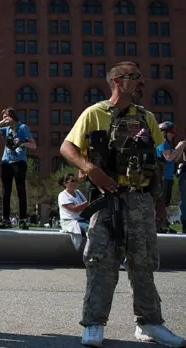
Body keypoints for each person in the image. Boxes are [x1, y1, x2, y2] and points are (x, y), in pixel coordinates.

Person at [60, 61, 185, 347]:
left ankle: (150, 324)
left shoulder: (146, 117)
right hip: (107, 199)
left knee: (144, 263)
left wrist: (160, 203)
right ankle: (93, 323)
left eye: (140, 77)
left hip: (141, 200)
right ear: (117, 80)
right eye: (134, 77)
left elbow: (152, 161)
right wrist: (90, 168)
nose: (141, 82)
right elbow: (67, 147)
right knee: (100, 260)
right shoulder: (94, 113)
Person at [0, 107, 36, 229]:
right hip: (6, 162)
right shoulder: (6, 129)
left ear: (12, 116)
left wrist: (22, 143)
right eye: (3, 117)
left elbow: (33, 145)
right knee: (5, 192)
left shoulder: (22, 128)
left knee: (21, 191)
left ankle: (23, 220)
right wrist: (3, 122)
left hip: (19, 162)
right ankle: (6, 220)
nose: (4, 119)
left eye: (6, 117)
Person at [155, 122, 185, 233]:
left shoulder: (166, 144)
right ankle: (160, 225)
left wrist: (180, 148)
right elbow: (169, 158)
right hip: (162, 177)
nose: (173, 135)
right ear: (165, 132)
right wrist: (179, 146)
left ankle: (164, 224)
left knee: (166, 202)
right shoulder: (163, 142)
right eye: (171, 133)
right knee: (161, 202)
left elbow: (175, 159)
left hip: (168, 177)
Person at [57, 173, 88, 252]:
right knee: (90, 230)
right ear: (65, 183)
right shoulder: (62, 195)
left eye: (75, 181)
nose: (75, 183)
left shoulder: (78, 192)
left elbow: (87, 205)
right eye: (72, 181)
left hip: (82, 219)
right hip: (71, 222)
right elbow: (74, 209)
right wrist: (87, 203)